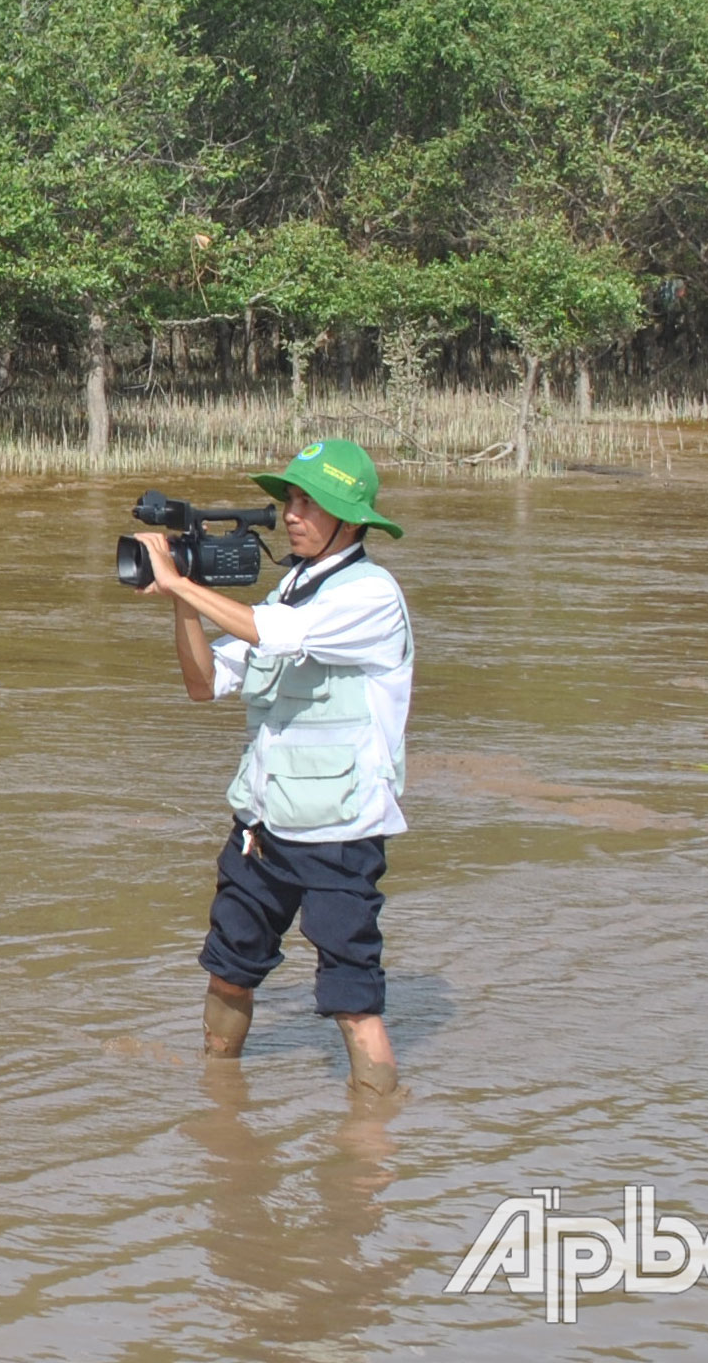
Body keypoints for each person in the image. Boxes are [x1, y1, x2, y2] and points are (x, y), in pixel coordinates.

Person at [133, 438, 412, 1097]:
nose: (291, 513)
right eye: (289, 499)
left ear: (352, 518)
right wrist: (180, 600)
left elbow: (274, 634)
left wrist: (180, 581)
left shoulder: (371, 594)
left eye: (309, 503)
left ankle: (373, 1143)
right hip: (264, 827)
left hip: (341, 833)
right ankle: (217, 1103)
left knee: (352, 998)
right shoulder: (292, 587)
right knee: (228, 969)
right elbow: (205, 684)